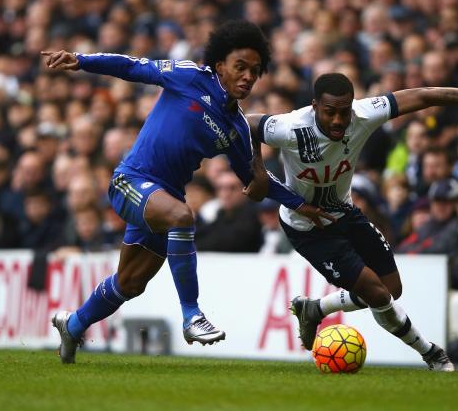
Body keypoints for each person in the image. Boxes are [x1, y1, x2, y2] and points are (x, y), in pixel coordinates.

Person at [42, 20, 332, 364]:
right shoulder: (189, 75)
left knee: (130, 283)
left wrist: (300, 204)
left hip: (162, 202)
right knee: (183, 215)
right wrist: (81, 59)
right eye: (240, 67)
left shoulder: (237, 128)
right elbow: (131, 67)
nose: (248, 76)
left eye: (255, 71)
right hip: (130, 181)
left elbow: (257, 182)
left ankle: (71, 325)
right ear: (219, 65)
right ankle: (192, 315)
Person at [247, 73, 458, 371]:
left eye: (344, 111)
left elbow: (425, 94)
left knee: (391, 288)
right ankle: (431, 353)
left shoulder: (365, 113)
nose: (338, 120)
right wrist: (258, 170)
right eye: (329, 112)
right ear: (314, 106)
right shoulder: (289, 127)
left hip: (344, 212)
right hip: (308, 228)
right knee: (376, 292)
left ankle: (316, 308)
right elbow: (248, 124)